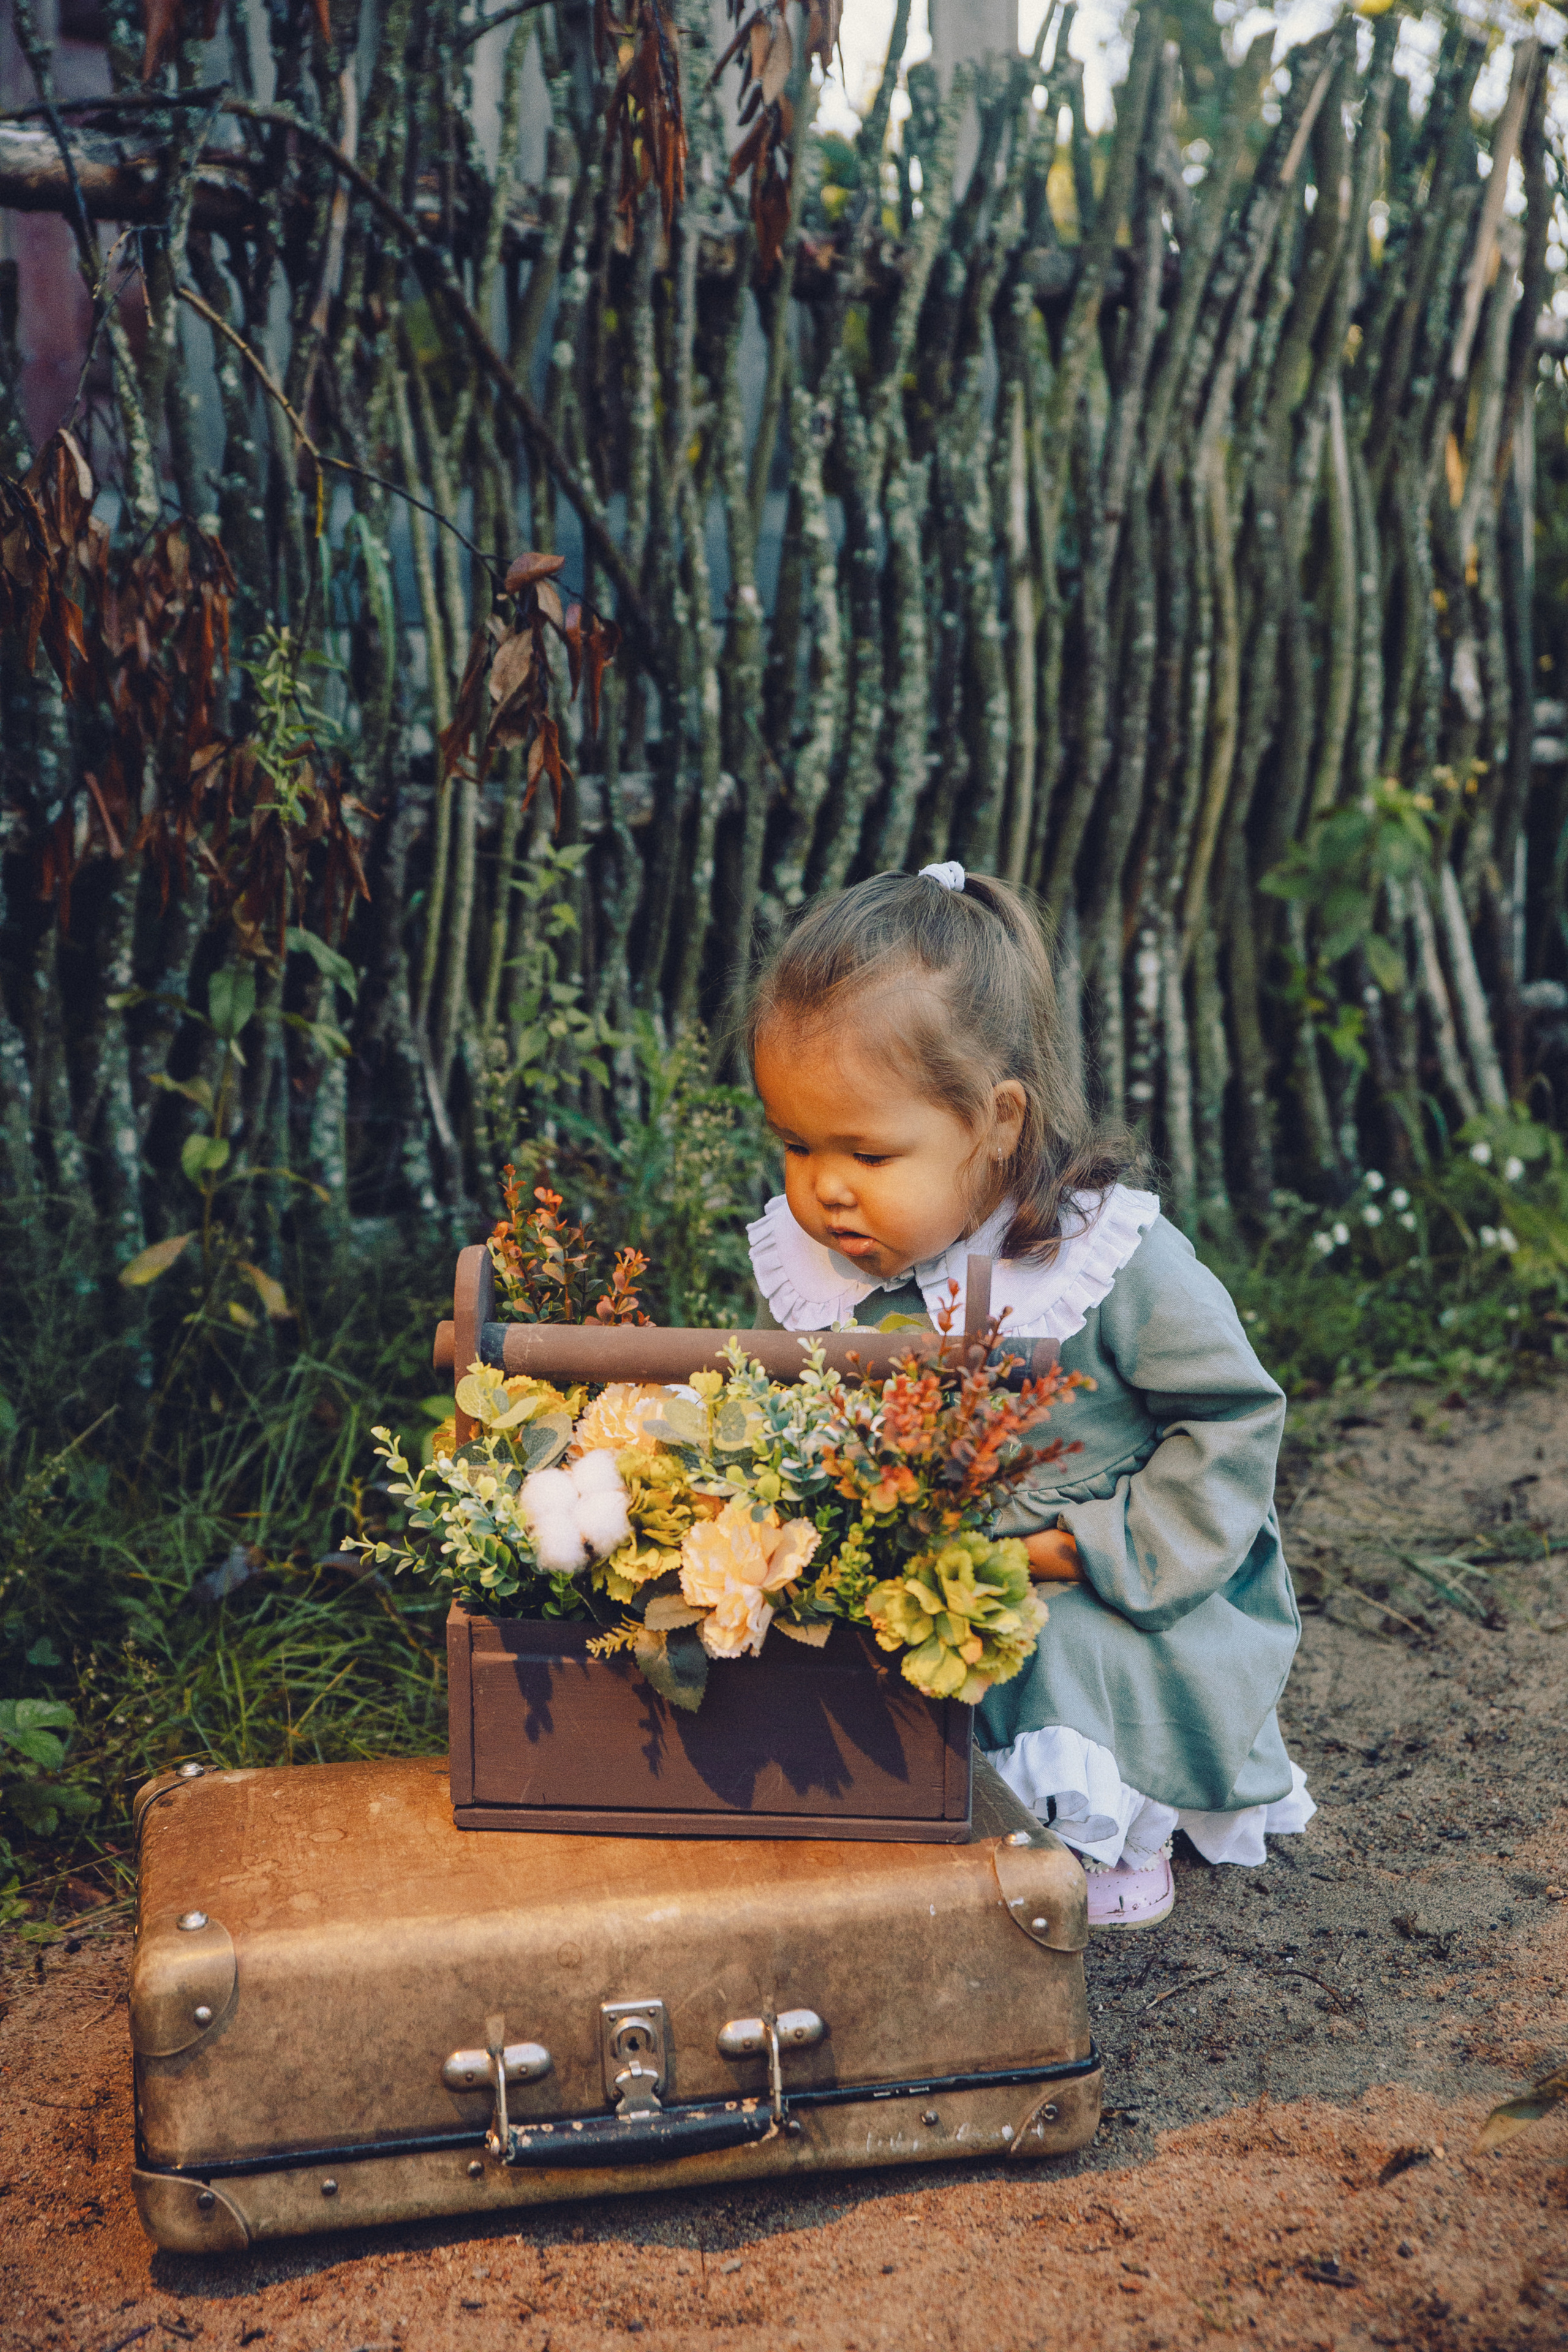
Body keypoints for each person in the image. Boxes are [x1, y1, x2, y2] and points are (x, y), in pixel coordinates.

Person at [742, 862, 1314, 1931]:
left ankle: (1098, 1841)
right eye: (796, 1143)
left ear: (999, 1120)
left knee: (1047, 1651)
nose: (824, 1185)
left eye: (867, 1150)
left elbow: (1233, 1417)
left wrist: (1085, 1548)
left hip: (1112, 1581)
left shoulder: (1109, 1261)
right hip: (926, 1566)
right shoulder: (823, 1270)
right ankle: (927, 1820)